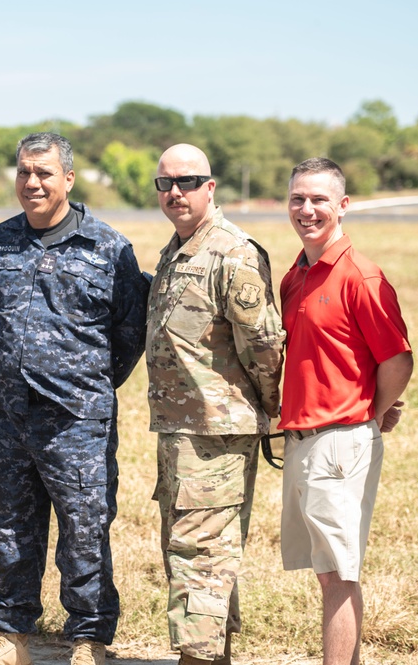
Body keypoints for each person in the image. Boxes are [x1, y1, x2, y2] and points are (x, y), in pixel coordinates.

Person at [0, 133, 148, 665]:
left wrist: (83, 383)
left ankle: (88, 638)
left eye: (44, 173)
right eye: (24, 172)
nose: (32, 182)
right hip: (8, 417)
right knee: (10, 528)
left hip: (77, 421)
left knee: (84, 529)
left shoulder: (108, 248)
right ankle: (11, 634)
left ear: (68, 178)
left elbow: (128, 333)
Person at [145, 144, 285, 665]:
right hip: (184, 431)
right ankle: (212, 655)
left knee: (199, 554)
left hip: (216, 434)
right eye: (165, 184)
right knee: (191, 551)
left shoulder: (233, 253)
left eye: (187, 181)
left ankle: (197, 658)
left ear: (211, 186)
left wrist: (271, 408)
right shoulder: (179, 249)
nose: (175, 192)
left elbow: (265, 346)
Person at [279, 157, 413, 665]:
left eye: (319, 199)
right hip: (303, 439)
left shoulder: (360, 274)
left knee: (338, 574)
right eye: (298, 198)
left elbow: (397, 358)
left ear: (343, 205)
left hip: (339, 440)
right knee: (326, 570)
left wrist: (368, 414)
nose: (307, 209)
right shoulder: (297, 273)